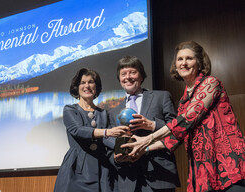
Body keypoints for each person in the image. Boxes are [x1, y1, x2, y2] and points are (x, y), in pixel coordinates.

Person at [123, 41, 245, 192]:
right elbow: (176, 137)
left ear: (199, 63)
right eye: (180, 59)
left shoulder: (211, 83)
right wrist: (144, 149)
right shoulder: (183, 101)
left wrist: (147, 139)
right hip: (202, 168)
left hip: (227, 163)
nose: (184, 63)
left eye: (189, 58)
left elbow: (187, 119)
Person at [108, 56, 180, 192]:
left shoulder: (161, 97)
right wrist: (117, 159)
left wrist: (152, 125)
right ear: (119, 79)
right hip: (128, 180)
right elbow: (111, 146)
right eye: (123, 74)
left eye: (133, 72)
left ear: (141, 76)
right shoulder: (113, 112)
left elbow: (176, 129)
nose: (128, 77)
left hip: (159, 175)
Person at [54, 68, 130, 192]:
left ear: (96, 87)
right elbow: (78, 130)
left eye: (91, 82)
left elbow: (110, 141)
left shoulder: (104, 113)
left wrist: (124, 145)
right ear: (76, 88)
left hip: (103, 170)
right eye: (83, 82)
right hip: (77, 169)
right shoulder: (70, 109)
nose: (87, 86)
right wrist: (106, 132)